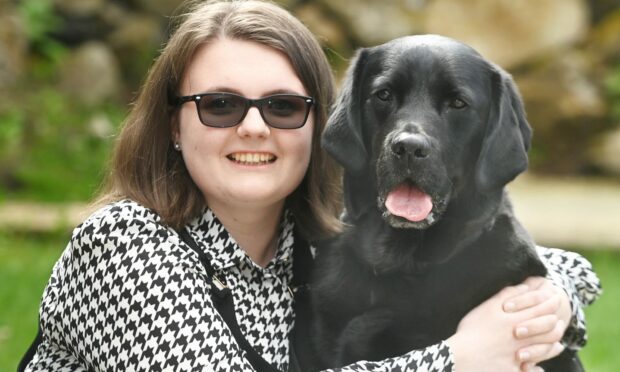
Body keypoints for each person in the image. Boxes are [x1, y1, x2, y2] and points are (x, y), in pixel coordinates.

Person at [22, 1, 601, 371]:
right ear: (174, 125)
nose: (253, 126)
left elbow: (550, 263)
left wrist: (554, 300)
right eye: (219, 105)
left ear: (321, 127)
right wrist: (460, 358)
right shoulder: (122, 245)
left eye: (281, 106)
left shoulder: (315, 246)